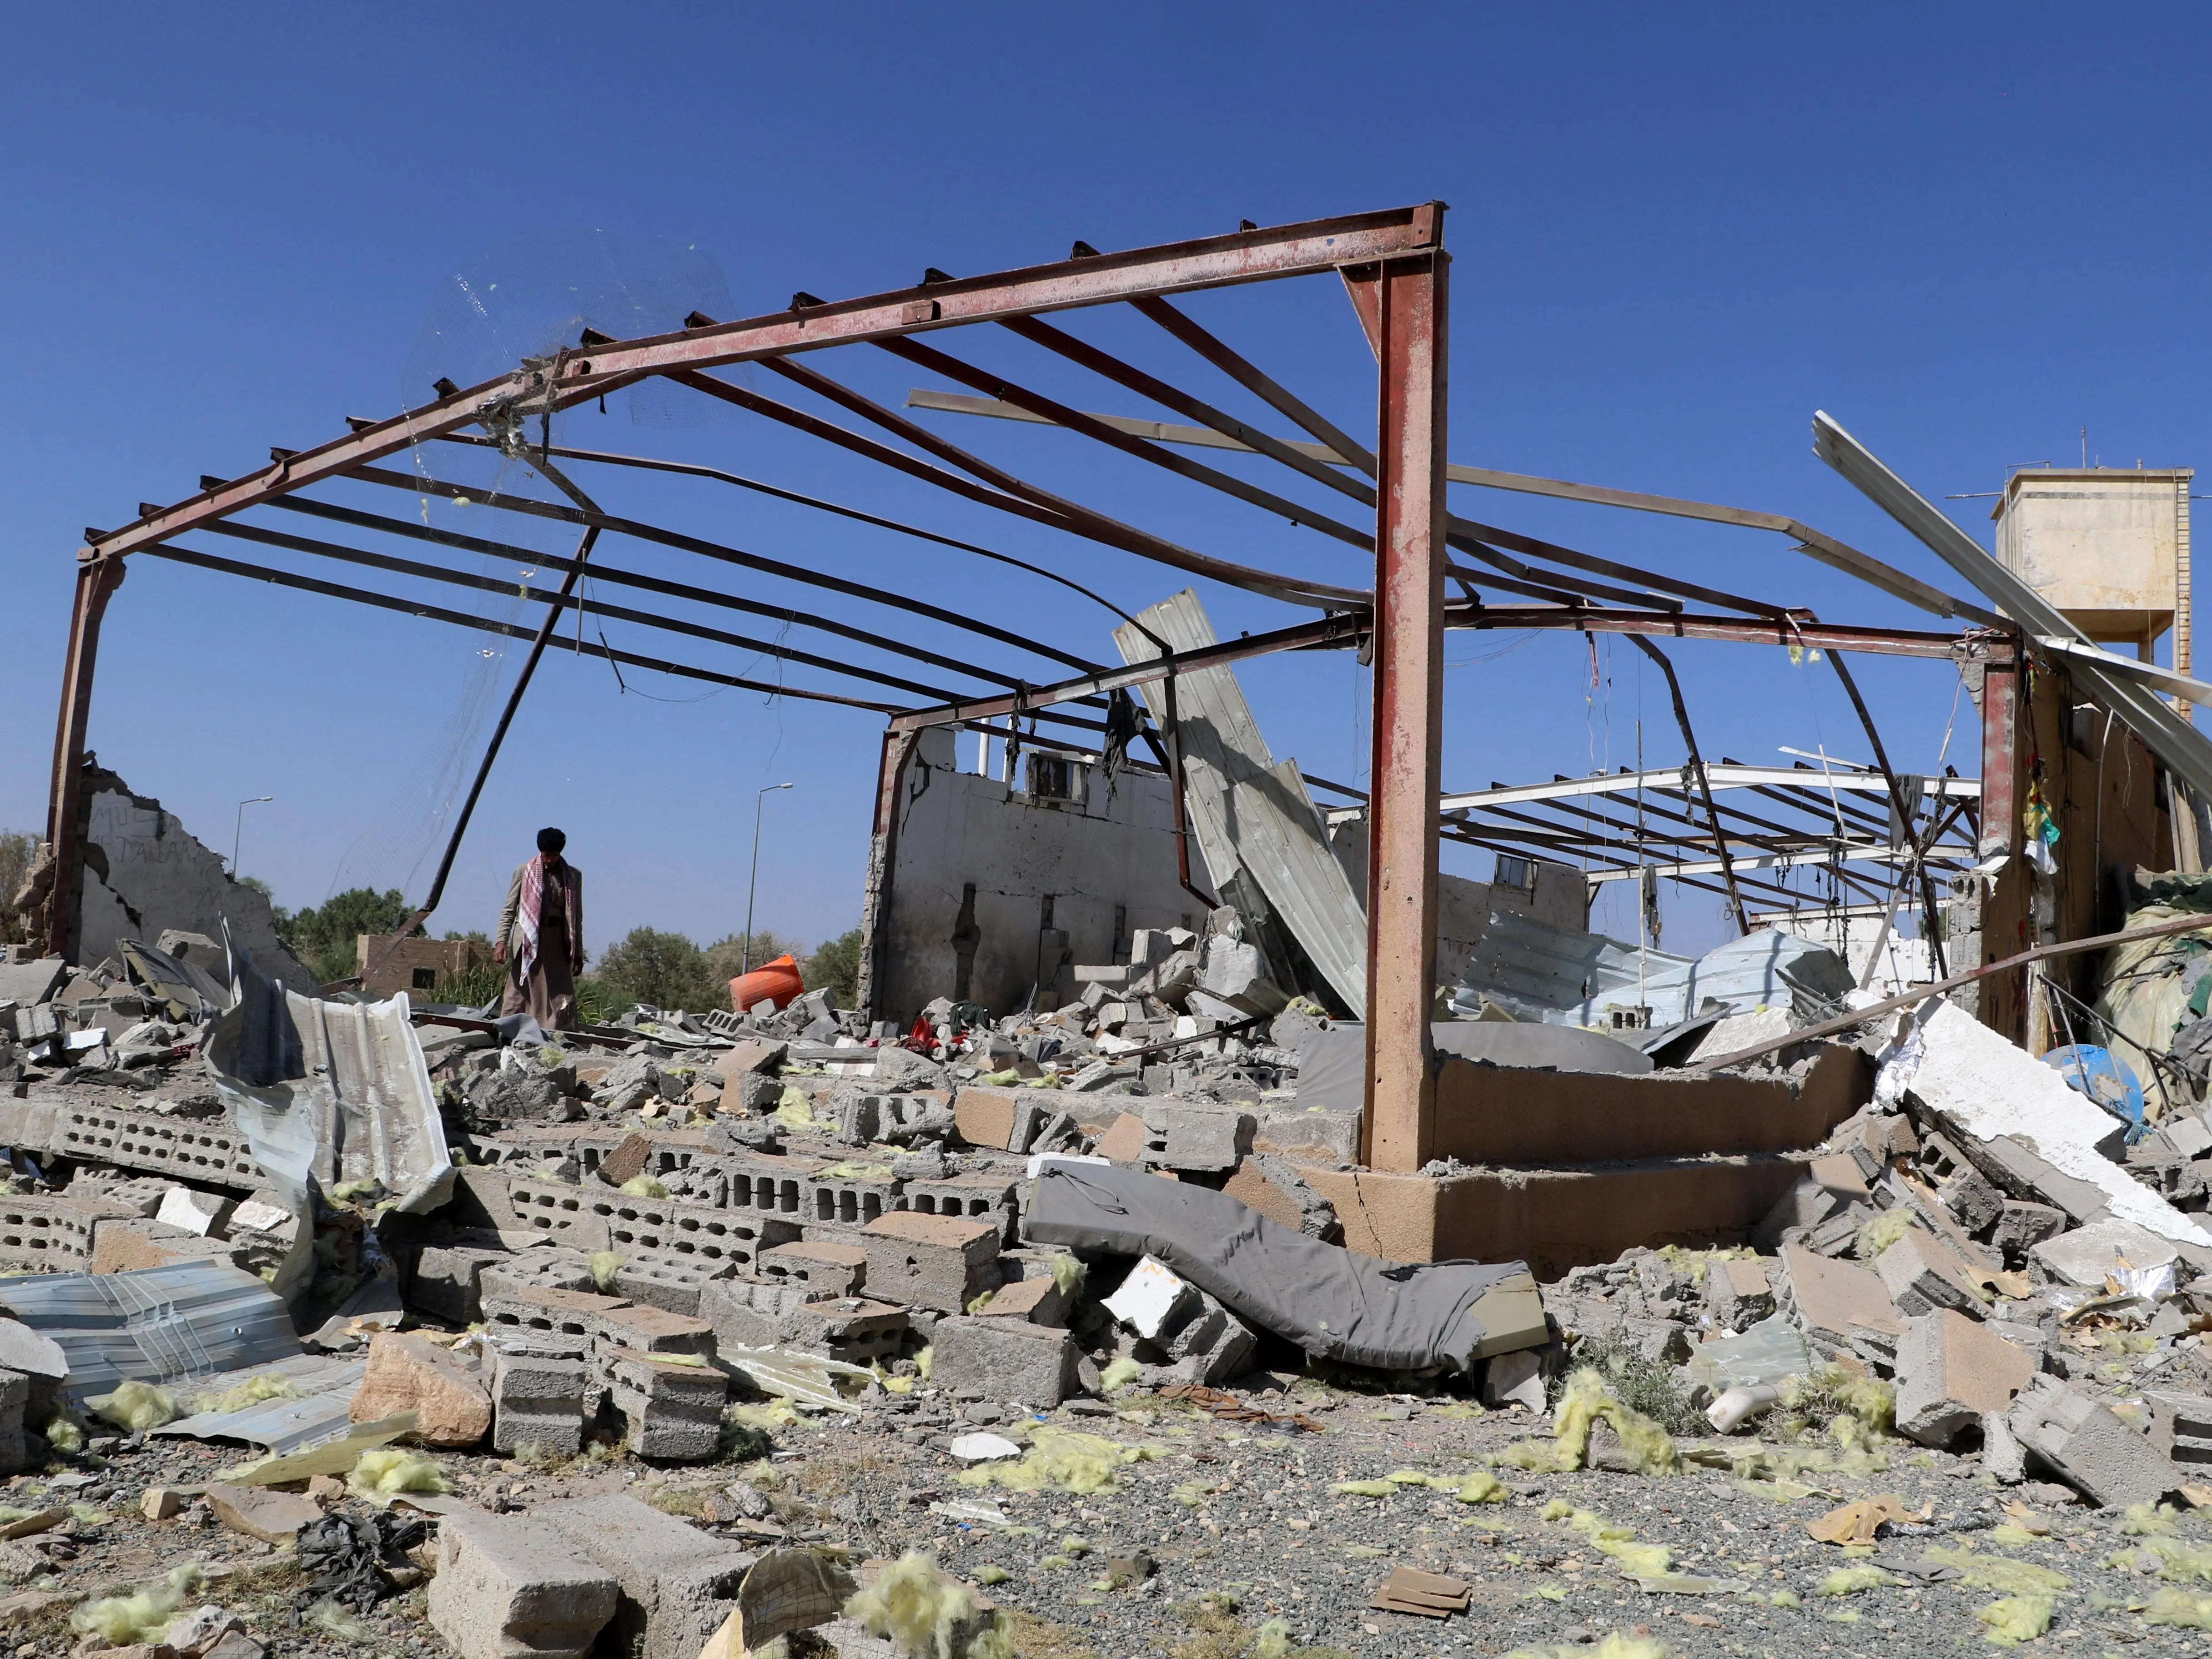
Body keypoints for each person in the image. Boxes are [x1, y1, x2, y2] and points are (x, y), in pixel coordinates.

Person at [496, 827, 584, 1031]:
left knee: (562, 994)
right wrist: (501, 941)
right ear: (540, 852)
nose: (550, 860)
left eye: (554, 856)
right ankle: (512, 1030)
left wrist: (578, 953)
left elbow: (576, 918)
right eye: (546, 856)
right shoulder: (524, 871)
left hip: (557, 942)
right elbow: (509, 910)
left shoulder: (573, 876)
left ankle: (560, 1035)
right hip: (529, 941)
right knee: (521, 992)